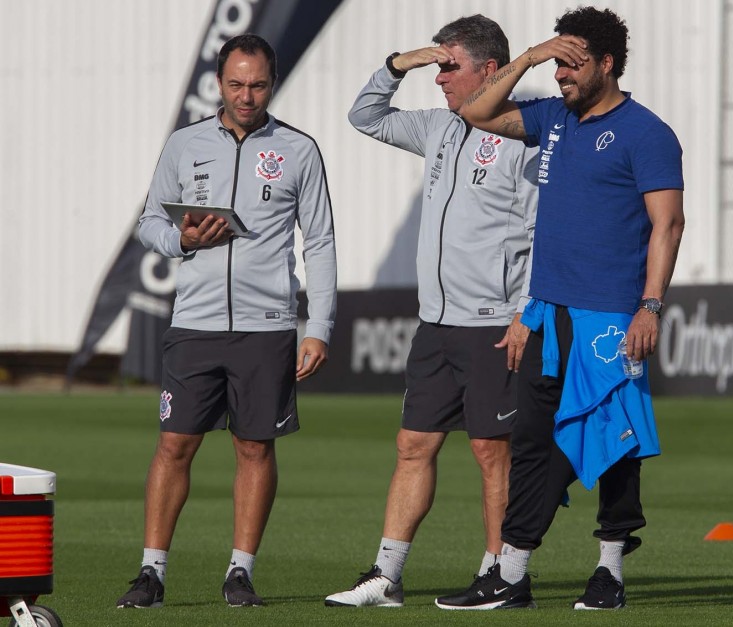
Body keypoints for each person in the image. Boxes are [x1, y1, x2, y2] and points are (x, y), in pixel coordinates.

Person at [450, 6, 686, 610]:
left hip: (611, 318)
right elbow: (473, 111)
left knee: (616, 443)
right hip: (548, 315)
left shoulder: (647, 133)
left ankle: (608, 573)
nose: (560, 76)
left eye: (571, 64)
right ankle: (514, 576)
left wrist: (650, 307)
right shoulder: (552, 117)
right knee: (532, 442)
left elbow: (668, 224)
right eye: (556, 64)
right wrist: (528, 56)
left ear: (607, 65)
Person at [324, 14, 539, 608]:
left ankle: (504, 575)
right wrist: (397, 66)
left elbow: (540, 233)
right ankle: (386, 576)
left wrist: (526, 312)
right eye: (437, 66)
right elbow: (364, 116)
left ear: (490, 70)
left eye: (449, 66)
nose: (438, 77)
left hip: (496, 322)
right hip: (436, 322)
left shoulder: (525, 134)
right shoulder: (440, 127)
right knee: (413, 445)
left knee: (492, 451)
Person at [116, 33, 337, 609]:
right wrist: (182, 239)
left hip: (267, 327)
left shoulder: (299, 149)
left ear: (273, 82)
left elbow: (321, 243)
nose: (246, 95)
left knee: (255, 449)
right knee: (173, 446)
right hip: (194, 323)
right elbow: (148, 223)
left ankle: (240, 573)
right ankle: (151, 574)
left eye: (258, 84)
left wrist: (318, 327)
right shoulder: (183, 144)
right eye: (236, 84)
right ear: (219, 83)